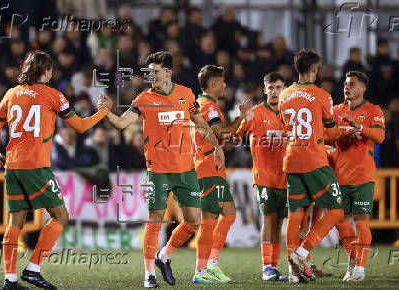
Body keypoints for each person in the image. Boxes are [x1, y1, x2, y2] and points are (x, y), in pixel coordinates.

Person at [99, 51, 224, 288]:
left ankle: (163, 256)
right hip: (158, 170)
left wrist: (216, 146)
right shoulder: (144, 99)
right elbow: (122, 123)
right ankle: (149, 275)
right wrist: (108, 110)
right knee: (155, 219)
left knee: (193, 222)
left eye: (154, 71)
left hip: (186, 169)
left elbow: (200, 123)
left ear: (168, 72)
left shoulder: (185, 94)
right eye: (148, 72)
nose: (150, 76)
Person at [0, 51, 110, 290]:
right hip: (36, 167)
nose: (52, 73)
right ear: (45, 71)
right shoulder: (53, 95)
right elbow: (81, 126)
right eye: (50, 69)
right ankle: (33, 269)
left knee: (15, 222)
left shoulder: (11, 93)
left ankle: (10, 281)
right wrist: (105, 111)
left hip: (12, 166)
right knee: (61, 216)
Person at [278, 48, 359, 283]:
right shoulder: (323, 95)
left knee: (295, 213)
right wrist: (345, 132)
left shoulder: (284, 95)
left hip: (291, 158)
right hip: (314, 159)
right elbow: (330, 130)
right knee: (336, 210)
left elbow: (287, 129)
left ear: (297, 69)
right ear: (314, 69)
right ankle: (303, 252)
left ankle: (293, 270)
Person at [192, 65, 250, 283]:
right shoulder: (209, 106)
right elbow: (221, 133)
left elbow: (220, 137)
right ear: (213, 83)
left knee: (229, 214)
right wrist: (241, 118)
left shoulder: (204, 105)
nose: (225, 85)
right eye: (222, 81)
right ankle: (200, 271)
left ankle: (212, 264)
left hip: (212, 167)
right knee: (209, 221)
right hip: (207, 167)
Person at [326, 71, 385, 281]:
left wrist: (360, 128)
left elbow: (379, 136)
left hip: (362, 175)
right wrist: (333, 143)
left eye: (351, 84)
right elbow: (324, 135)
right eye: (345, 84)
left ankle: (359, 269)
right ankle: (353, 257)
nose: (346, 87)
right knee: (338, 219)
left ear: (363, 88)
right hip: (339, 175)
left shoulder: (373, 110)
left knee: (361, 220)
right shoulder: (335, 111)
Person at [236, 72, 288, 281]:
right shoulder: (255, 113)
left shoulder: (290, 114)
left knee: (278, 223)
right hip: (264, 178)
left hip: (286, 178)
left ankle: (274, 267)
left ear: (284, 89)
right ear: (264, 89)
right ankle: (267, 267)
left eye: (278, 87)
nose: (275, 92)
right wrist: (242, 118)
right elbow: (234, 138)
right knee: (269, 220)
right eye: (271, 88)